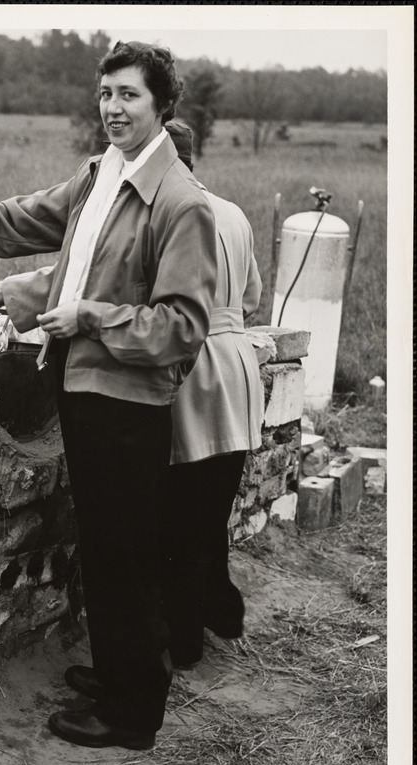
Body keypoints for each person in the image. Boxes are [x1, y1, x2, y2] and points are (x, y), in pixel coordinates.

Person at [0, 41, 217, 750]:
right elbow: (18, 219)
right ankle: (121, 673)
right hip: (85, 391)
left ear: (161, 106)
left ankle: (133, 714)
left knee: (126, 554)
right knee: (103, 546)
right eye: (104, 94)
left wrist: (90, 316)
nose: (112, 108)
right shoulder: (100, 176)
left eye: (128, 95)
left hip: (130, 406)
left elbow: (182, 328)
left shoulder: (182, 202)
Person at [160, 121, 264, 669]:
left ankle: (184, 642)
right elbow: (252, 294)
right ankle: (220, 609)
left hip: (194, 367)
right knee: (213, 506)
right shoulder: (234, 212)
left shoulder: (166, 213)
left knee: (179, 513)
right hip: (239, 364)